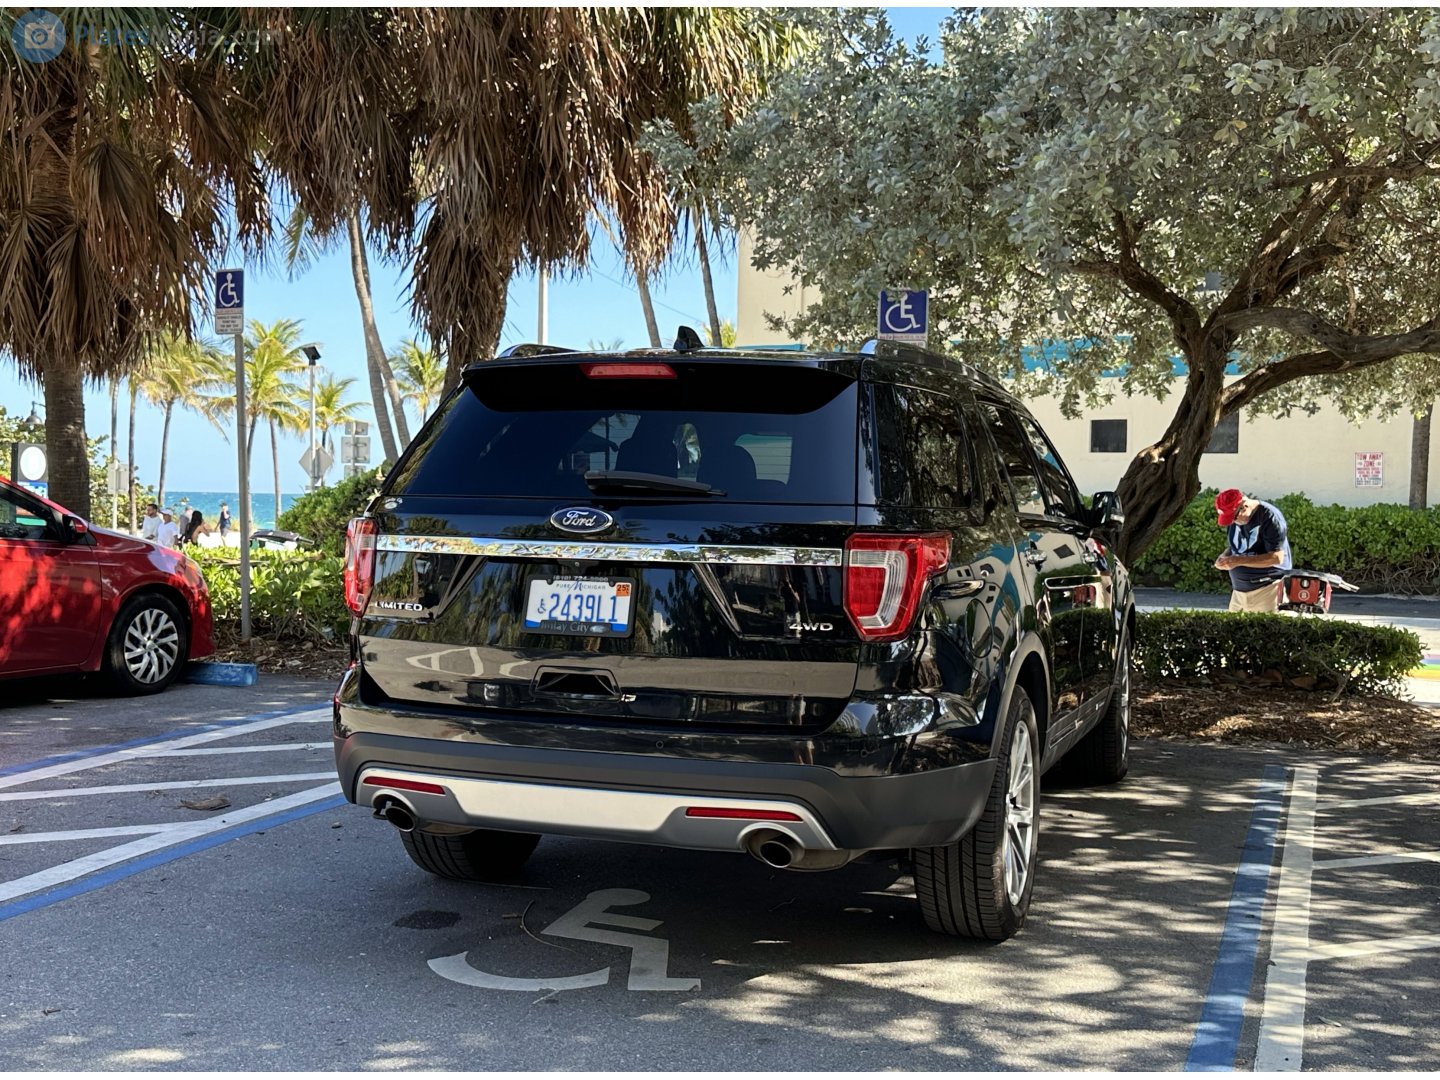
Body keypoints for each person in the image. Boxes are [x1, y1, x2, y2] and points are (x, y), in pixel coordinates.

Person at [1214, 488, 1291, 612]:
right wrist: (1225, 556)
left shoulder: (1269, 516)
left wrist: (1238, 561)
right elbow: (1237, 545)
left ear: (1244, 506)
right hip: (1239, 593)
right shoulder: (1236, 519)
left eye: (1233, 518)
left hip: (1267, 591)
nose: (1233, 522)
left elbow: (1277, 557)